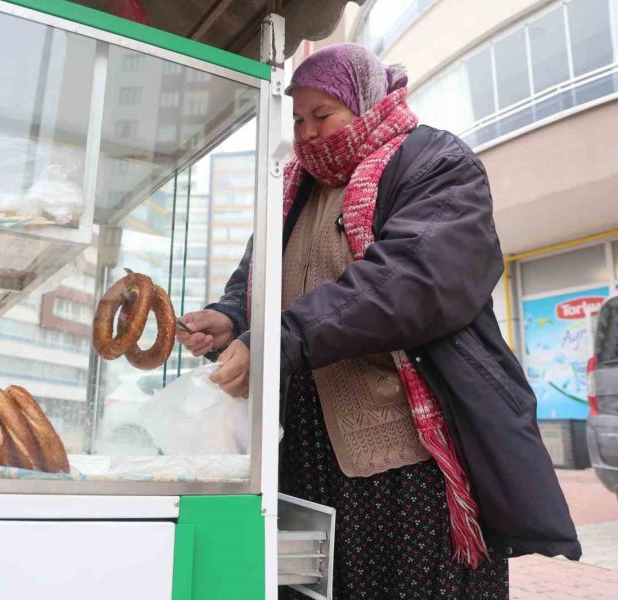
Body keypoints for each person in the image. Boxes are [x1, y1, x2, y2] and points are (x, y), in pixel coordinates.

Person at [177, 43, 580, 599]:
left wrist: (281, 338)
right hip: (307, 452)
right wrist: (229, 318)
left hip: (408, 460)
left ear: (365, 102)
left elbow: (411, 281)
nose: (308, 133)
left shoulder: (435, 163)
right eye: (297, 119)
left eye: (322, 115)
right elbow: (260, 277)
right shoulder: (291, 188)